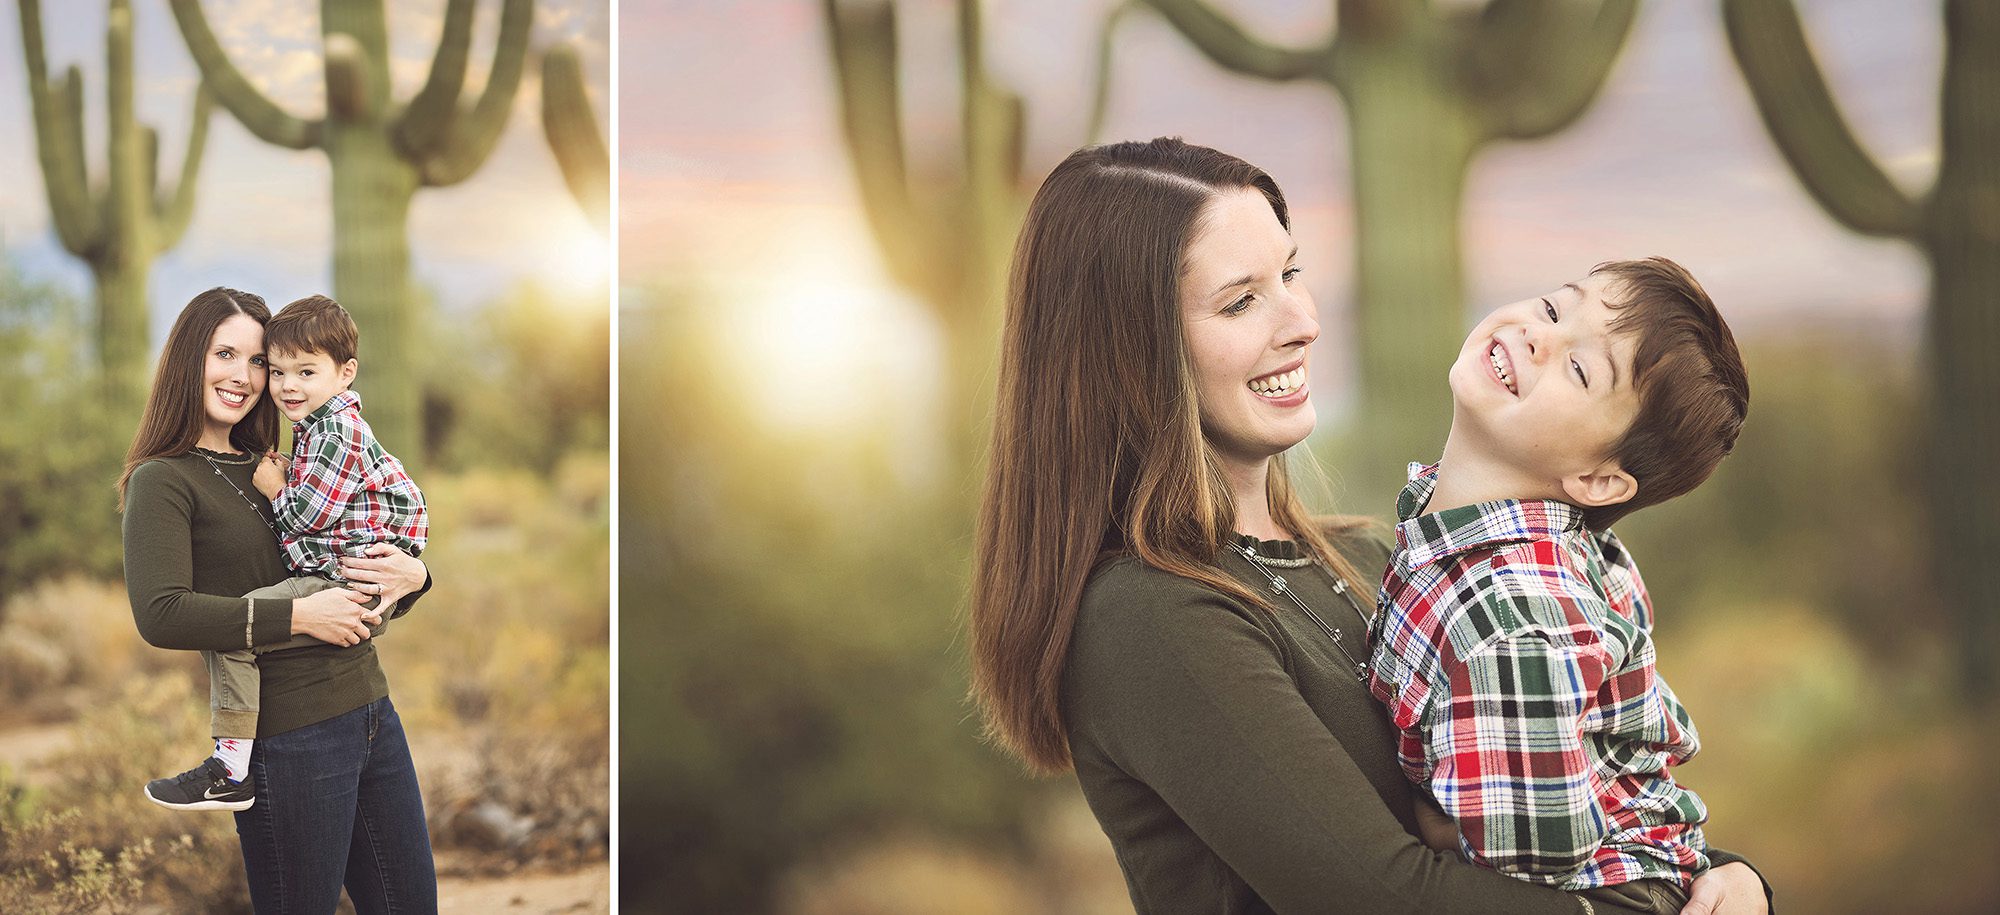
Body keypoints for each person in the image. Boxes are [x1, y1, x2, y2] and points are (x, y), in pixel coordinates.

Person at [968, 138, 1770, 914]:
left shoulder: (1382, 556)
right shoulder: (1151, 616)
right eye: (1242, 299)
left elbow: (1591, 780)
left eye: (1292, 273)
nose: (1303, 323)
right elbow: (1381, 898)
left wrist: (1732, 878)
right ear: (1128, 351)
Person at [1366, 258, 1748, 914]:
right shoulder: (1468, 535)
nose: (1538, 336)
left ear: (1600, 480)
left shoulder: (1507, 620)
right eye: (1552, 308)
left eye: (1579, 369)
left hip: (1602, 896)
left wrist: (1430, 817)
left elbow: (1536, 857)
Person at [120, 287, 438, 911]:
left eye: (258, 360)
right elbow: (161, 614)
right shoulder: (164, 479)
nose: (244, 376)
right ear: (189, 360)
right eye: (224, 355)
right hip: (288, 737)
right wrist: (296, 614)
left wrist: (416, 579)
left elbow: (344, 560)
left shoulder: (280, 463)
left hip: (372, 712)